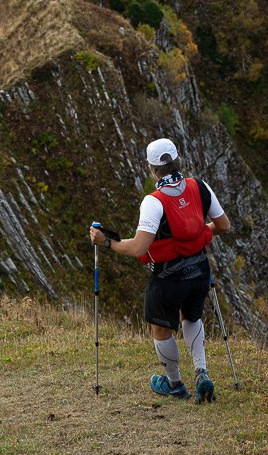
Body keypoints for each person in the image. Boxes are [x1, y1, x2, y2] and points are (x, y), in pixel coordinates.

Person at [89, 138, 231, 403]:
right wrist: (198, 236)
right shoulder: (200, 187)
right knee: (192, 318)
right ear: (177, 162)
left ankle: (175, 383)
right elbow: (223, 225)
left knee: (161, 329)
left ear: (152, 169)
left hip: (168, 277)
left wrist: (107, 242)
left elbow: (139, 248)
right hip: (199, 270)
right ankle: (201, 372)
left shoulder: (153, 202)